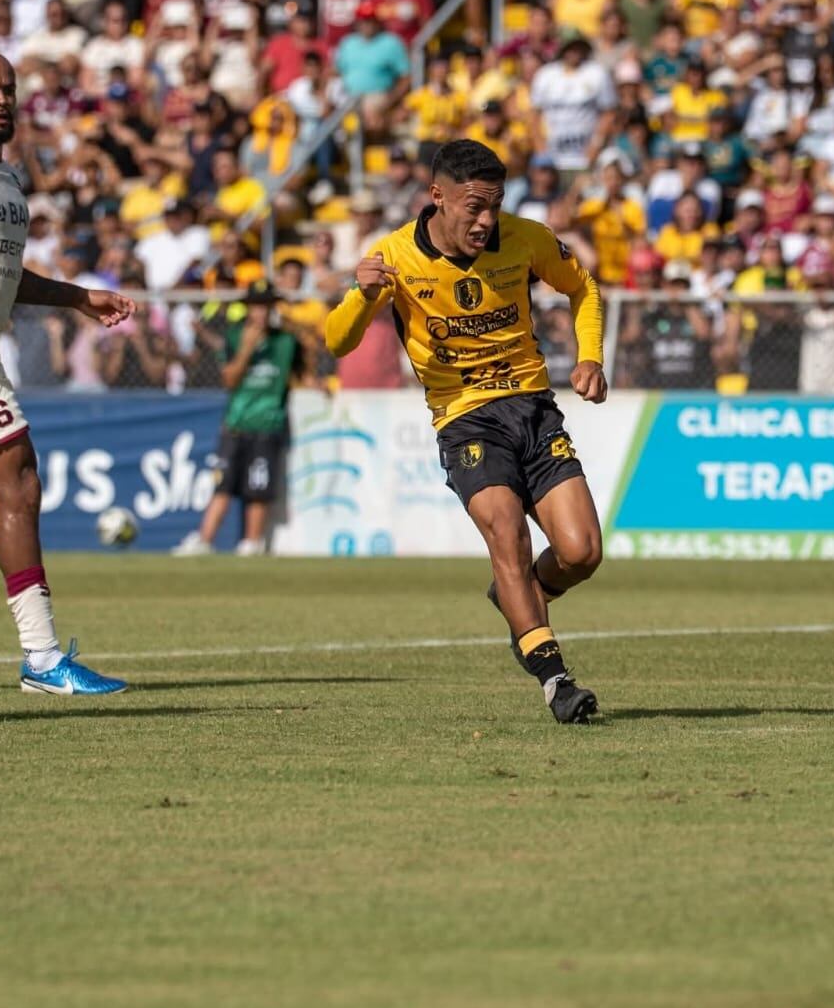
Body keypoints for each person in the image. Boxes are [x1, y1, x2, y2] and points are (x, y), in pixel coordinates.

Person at [324, 138, 606, 724]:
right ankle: (554, 677)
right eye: (472, 206)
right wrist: (362, 295)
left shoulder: (525, 239)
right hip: (464, 417)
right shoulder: (396, 256)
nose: (484, 220)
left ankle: (517, 599)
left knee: (581, 553)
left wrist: (590, 356)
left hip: (533, 408)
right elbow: (336, 341)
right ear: (437, 196)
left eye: (493, 206)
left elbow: (583, 288)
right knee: (507, 534)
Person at [0, 49, 133, 695]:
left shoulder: (6, 180)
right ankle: (44, 659)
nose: (0, 99)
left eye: (9, 89)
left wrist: (78, 296)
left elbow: (2, 273)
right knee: (19, 485)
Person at [174, 279, 306, 557]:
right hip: (236, 423)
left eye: (265, 306)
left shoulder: (286, 341)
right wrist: (247, 348)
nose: (260, 312)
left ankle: (251, 543)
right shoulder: (235, 337)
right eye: (256, 306)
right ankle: (204, 540)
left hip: (268, 424)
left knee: (258, 488)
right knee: (222, 486)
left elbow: (302, 374)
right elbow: (229, 380)